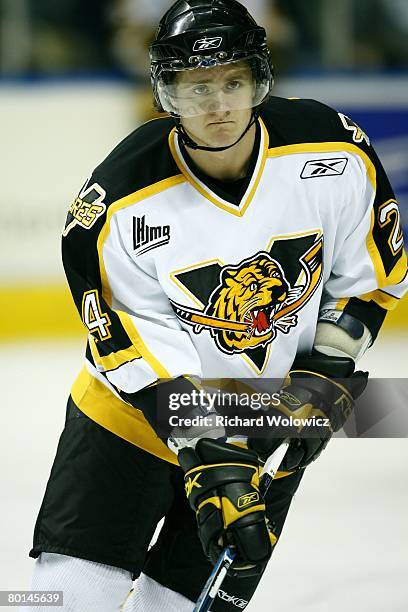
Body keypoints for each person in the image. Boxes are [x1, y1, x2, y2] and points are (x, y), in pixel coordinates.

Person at [27, 1, 407, 611]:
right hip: (132, 418)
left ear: (261, 78)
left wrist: (328, 368)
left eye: (233, 82)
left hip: (266, 411)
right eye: (195, 86)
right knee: (64, 597)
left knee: (179, 603)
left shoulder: (334, 152)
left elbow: (369, 275)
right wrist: (202, 440)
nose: (218, 104)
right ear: (165, 94)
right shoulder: (115, 200)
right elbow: (124, 341)